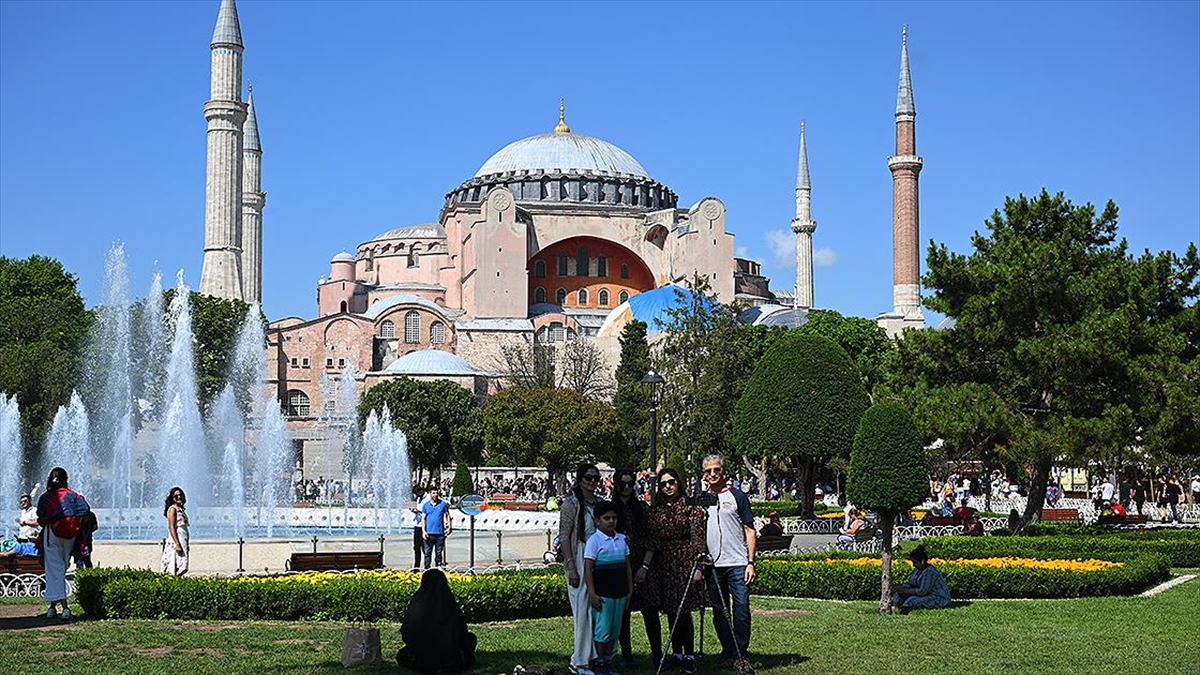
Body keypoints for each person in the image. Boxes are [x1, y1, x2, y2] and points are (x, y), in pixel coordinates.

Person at [643, 467, 707, 674]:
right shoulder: (657, 508)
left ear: (678, 482)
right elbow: (653, 537)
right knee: (671, 609)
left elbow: (697, 535)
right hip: (663, 562)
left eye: (671, 482)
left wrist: (698, 564)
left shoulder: (689, 504)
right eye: (663, 484)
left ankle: (689, 654)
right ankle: (677, 652)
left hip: (684, 560)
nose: (668, 487)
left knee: (684, 610)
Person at [700, 455, 756, 674]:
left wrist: (750, 562)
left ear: (723, 472)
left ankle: (741, 653)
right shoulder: (702, 499)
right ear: (704, 474)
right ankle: (728, 652)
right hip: (713, 564)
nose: (713, 474)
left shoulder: (738, 496)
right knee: (719, 611)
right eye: (708, 471)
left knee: (741, 608)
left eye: (716, 470)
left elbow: (750, 530)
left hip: (737, 562)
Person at [611, 468, 662, 669]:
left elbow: (652, 537)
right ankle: (626, 655)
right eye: (622, 483)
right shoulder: (610, 509)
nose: (626, 487)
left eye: (630, 483)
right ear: (616, 485)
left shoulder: (642, 508)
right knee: (622, 613)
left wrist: (645, 566)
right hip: (620, 566)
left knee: (650, 612)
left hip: (643, 565)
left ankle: (657, 654)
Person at [584, 500, 633, 675]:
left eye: (614, 518)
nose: (611, 521)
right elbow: (588, 568)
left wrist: (630, 590)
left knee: (614, 630)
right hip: (603, 594)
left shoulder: (621, 539)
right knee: (602, 630)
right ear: (597, 521)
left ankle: (608, 661)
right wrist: (592, 593)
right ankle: (599, 662)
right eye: (606, 518)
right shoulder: (594, 541)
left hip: (620, 593)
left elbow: (627, 566)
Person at [560, 463, 601, 674]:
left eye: (596, 478)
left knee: (596, 610)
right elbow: (564, 536)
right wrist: (571, 566)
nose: (592, 482)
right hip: (579, 556)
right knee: (582, 611)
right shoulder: (571, 504)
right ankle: (579, 661)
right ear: (579, 479)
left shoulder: (599, 503)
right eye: (588, 478)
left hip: (598, 557)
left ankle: (596, 656)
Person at [395, 568, 477, 673]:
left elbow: (406, 633)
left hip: (420, 662)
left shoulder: (417, 605)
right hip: (452, 662)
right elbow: (462, 632)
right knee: (471, 639)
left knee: (402, 655)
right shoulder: (450, 605)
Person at [36, 467, 90, 620]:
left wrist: (53, 518)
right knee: (62, 567)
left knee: (54, 570)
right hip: (70, 534)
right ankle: (53, 606)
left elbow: (40, 515)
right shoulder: (73, 495)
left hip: (51, 534)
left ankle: (65, 608)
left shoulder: (46, 497)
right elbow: (85, 510)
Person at [893, 545, 952, 611]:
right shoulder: (917, 570)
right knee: (898, 596)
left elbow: (923, 591)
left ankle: (905, 610)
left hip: (937, 597)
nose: (913, 565)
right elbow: (911, 583)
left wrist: (905, 591)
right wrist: (901, 589)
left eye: (915, 562)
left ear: (922, 561)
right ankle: (894, 607)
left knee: (912, 601)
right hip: (924, 595)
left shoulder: (930, 571)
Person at [161, 486, 189, 576]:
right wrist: (177, 544)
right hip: (177, 539)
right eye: (176, 496)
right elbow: (171, 527)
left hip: (182, 538)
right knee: (175, 561)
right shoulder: (172, 509)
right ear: (172, 498)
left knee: (182, 562)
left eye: (180, 495)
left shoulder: (180, 509)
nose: (179, 497)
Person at [421, 487, 452, 569]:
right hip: (429, 533)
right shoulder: (426, 505)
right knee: (427, 553)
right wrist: (423, 531)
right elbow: (423, 519)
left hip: (440, 533)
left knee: (438, 552)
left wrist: (449, 526)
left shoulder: (443, 504)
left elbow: (447, 515)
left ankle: (438, 568)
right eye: (434, 493)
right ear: (430, 494)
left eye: (437, 493)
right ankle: (427, 569)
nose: (435, 495)